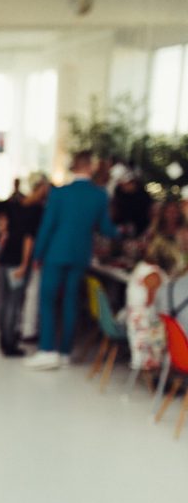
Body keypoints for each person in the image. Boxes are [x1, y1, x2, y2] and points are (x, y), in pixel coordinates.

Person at [27, 151, 117, 370]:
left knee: (47, 300)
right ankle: (65, 352)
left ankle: (47, 350)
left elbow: (48, 226)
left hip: (56, 253)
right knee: (70, 301)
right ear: (90, 167)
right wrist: (123, 232)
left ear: (73, 167)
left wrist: (37, 254)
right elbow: (105, 228)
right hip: (80, 254)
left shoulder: (59, 193)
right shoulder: (100, 195)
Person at [0, 178, 49, 356]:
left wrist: (4, 234)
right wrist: (25, 264)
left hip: (5, 258)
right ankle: (10, 344)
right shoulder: (36, 211)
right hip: (17, 261)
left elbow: (3, 226)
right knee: (14, 302)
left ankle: (4, 339)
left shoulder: (14, 205)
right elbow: (28, 239)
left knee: (5, 301)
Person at [123, 242, 176, 373]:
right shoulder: (154, 275)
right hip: (144, 325)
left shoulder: (142, 266)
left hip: (134, 320)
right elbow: (152, 303)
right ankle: (166, 376)